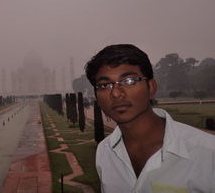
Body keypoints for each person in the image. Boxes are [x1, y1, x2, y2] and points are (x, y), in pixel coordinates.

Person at [85, 44, 215, 192]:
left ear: (151, 87)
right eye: (105, 85)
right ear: (96, 96)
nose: (116, 93)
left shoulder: (207, 153)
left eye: (129, 81)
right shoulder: (105, 152)